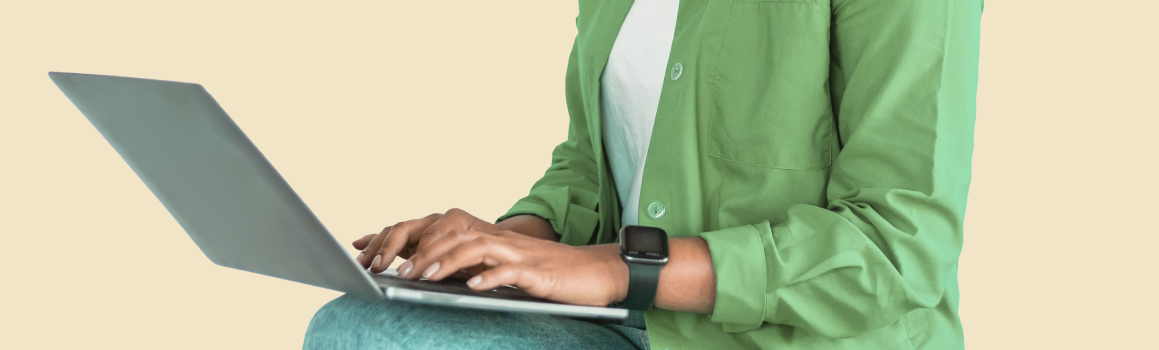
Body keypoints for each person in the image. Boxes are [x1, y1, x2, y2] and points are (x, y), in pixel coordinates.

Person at [304, 0, 982, 348]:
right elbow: (593, 163)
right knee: (357, 324)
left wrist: (618, 267)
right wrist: (498, 251)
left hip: (787, 341)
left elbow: (901, 246)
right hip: (638, 322)